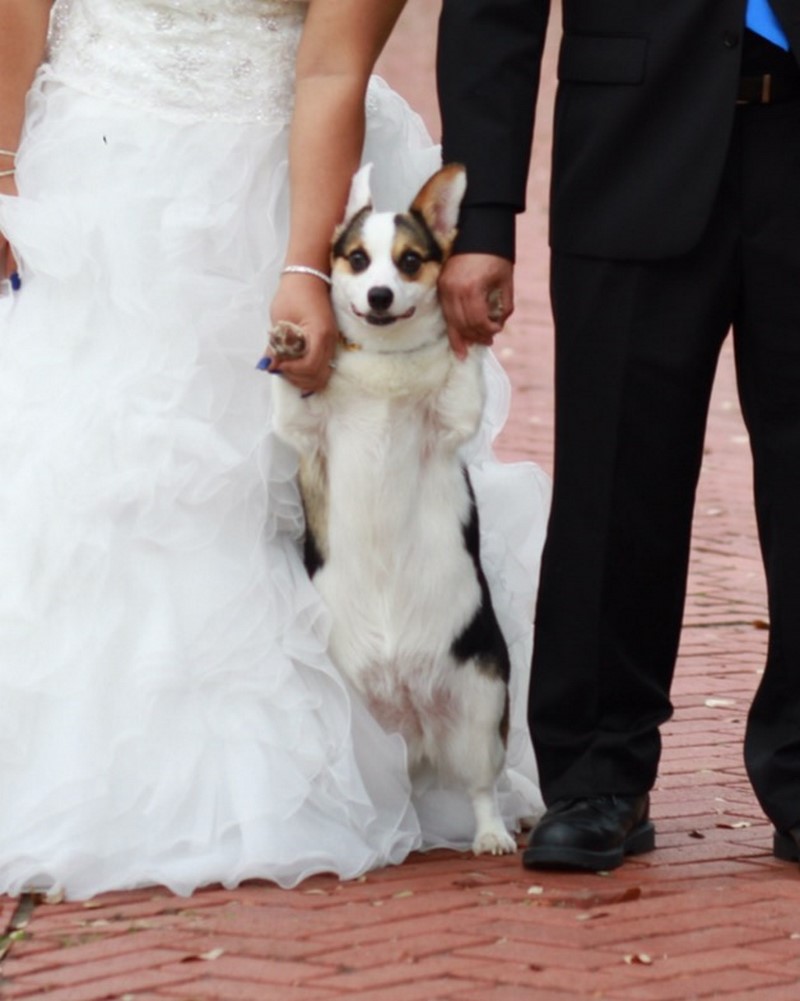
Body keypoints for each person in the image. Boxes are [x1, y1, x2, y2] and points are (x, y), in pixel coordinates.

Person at [0, 0, 549, 900]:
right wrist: (6, 171)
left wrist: (304, 269)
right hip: (89, 171)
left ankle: (273, 763)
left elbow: (334, 66)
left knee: (258, 478)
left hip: (274, 180)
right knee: (72, 459)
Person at [437, 0, 800, 872]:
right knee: (615, 474)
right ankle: (599, 769)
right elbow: (493, 12)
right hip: (634, 144)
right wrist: (482, 217)